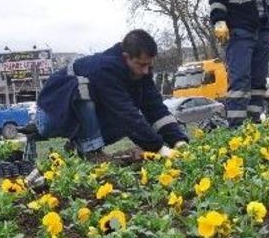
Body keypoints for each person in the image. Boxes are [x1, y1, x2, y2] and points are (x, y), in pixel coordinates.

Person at [22, 29, 188, 162]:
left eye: (149, 65)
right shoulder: (104, 69)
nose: (146, 71)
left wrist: (178, 141)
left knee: (131, 118)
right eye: (141, 65)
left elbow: (155, 108)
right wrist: (159, 148)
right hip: (51, 115)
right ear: (126, 57)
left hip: (72, 119)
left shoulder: (140, 73)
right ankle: (92, 152)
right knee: (84, 88)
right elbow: (125, 113)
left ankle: (79, 147)